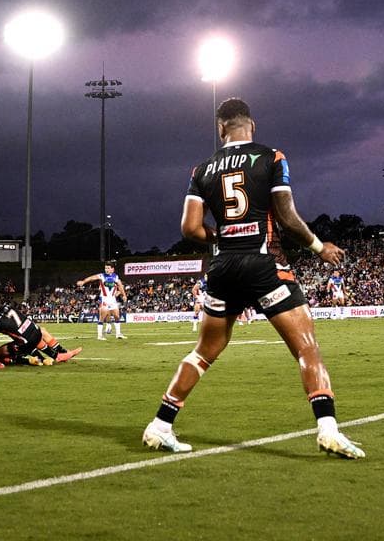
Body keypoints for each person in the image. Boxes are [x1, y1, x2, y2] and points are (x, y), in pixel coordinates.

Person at [141, 98, 364, 459]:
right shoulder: (271, 157)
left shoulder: (201, 169)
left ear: (221, 129)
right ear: (252, 125)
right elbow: (287, 217)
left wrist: (222, 237)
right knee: (306, 347)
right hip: (264, 263)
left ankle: (160, 426)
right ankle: (328, 430)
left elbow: (190, 228)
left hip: (222, 268)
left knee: (204, 352)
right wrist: (318, 246)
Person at [77, 261, 127, 340]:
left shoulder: (115, 276)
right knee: (102, 318)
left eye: (108, 268)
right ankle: (100, 336)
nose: (106, 270)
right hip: (104, 299)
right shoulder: (102, 276)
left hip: (113, 300)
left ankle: (118, 334)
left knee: (117, 316)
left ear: (112, 269)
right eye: (105, 268)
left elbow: (120, 286)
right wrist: (83, 281)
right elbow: (92, 278)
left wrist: (124, 295)